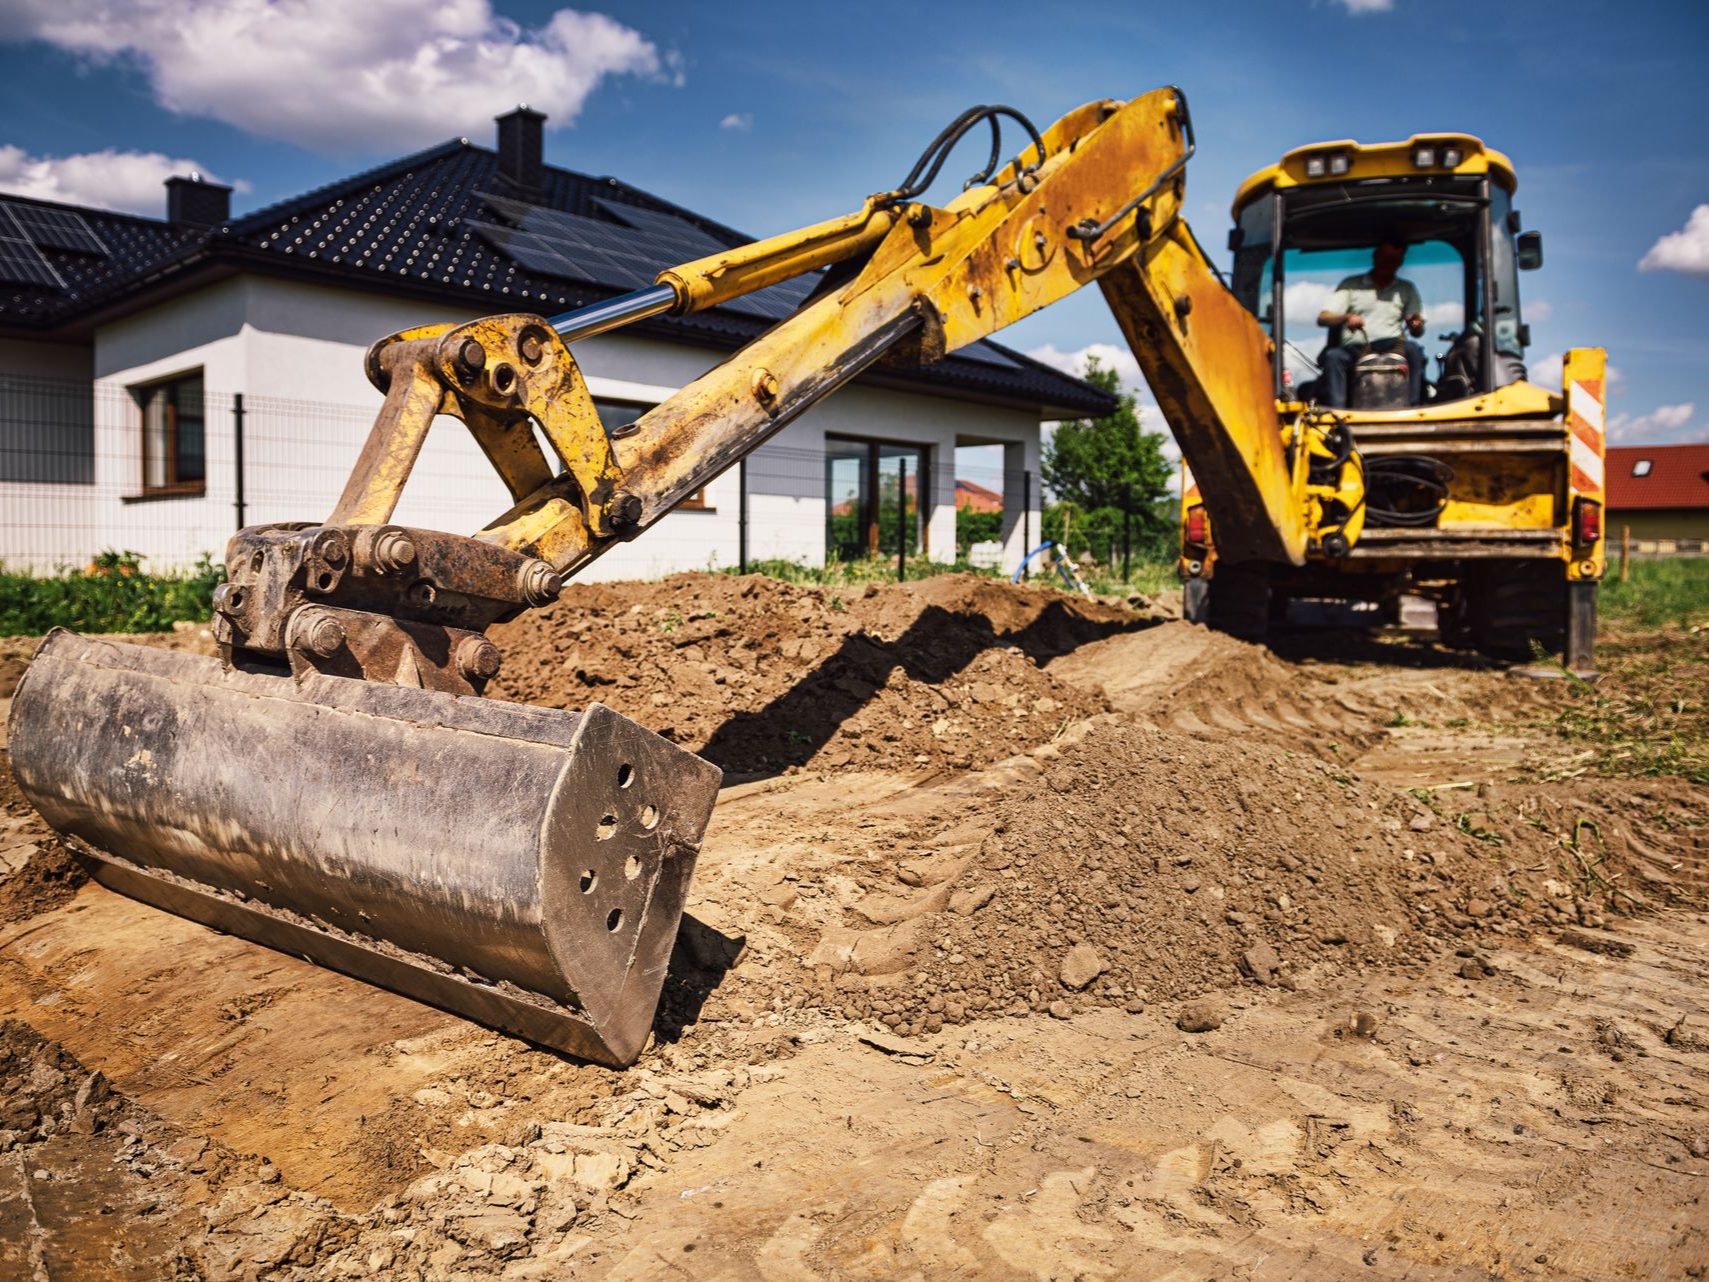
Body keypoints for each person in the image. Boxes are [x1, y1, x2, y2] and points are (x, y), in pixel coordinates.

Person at [1315, 238, 1426, 407]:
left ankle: (1413, 407)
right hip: (1356, 348)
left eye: (1394, 259)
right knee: (1334, 357)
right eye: (1385, 257)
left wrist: (1415, 324)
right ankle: (1338, 412)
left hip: (1393, 345)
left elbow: (1418, 330)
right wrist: (1346, 317)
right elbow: (1323, 318)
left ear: (1400, 262)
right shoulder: (1351, 285)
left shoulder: (1406, 289)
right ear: (1375, 257)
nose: (1389, 263)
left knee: (1413, 351)